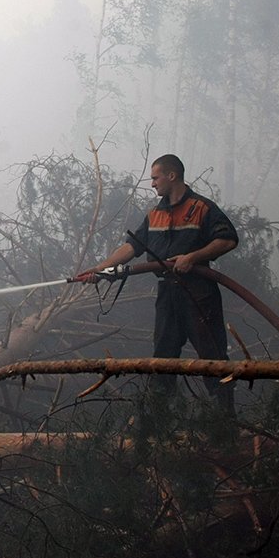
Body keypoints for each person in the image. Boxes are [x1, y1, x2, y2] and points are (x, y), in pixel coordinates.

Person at [76, 154, 239, 411]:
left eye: (155, 177)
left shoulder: (202, 208)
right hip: (167, 294)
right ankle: (158, 428)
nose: (152, 184)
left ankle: (226, 425)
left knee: (214, 359)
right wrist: (100, 269)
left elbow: (228, 240)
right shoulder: (155, 215)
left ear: (171, 176)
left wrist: (193, 258)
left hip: (199, 293)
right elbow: (132, 247)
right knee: (163, 359)